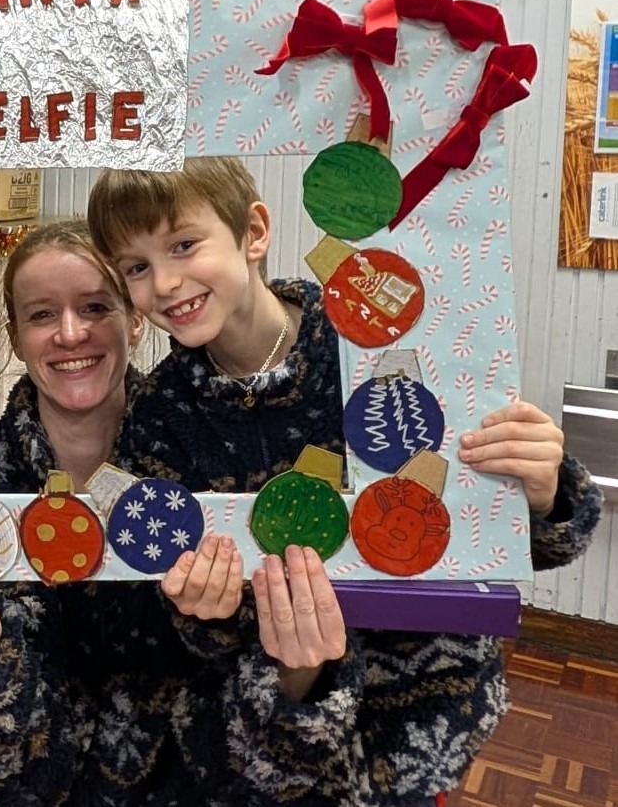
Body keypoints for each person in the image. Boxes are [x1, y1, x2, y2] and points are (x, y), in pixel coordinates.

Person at [85, 155, 603, 805]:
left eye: (183, 245)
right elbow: (171, 624)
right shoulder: (161, 416)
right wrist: (201, 613)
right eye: (136, 266)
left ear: (253, 233)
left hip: (414, 728)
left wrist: (543, 488)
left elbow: (518, 537)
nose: (164, 282)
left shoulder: (378, 343)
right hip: (273, 739)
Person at [0, 219, 366, 805]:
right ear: (14, 336)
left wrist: (295, 672)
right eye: (41, 315)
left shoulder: (211, 460)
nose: (69, 333)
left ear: (135, 319)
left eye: (94, 307)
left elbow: (277, 762)